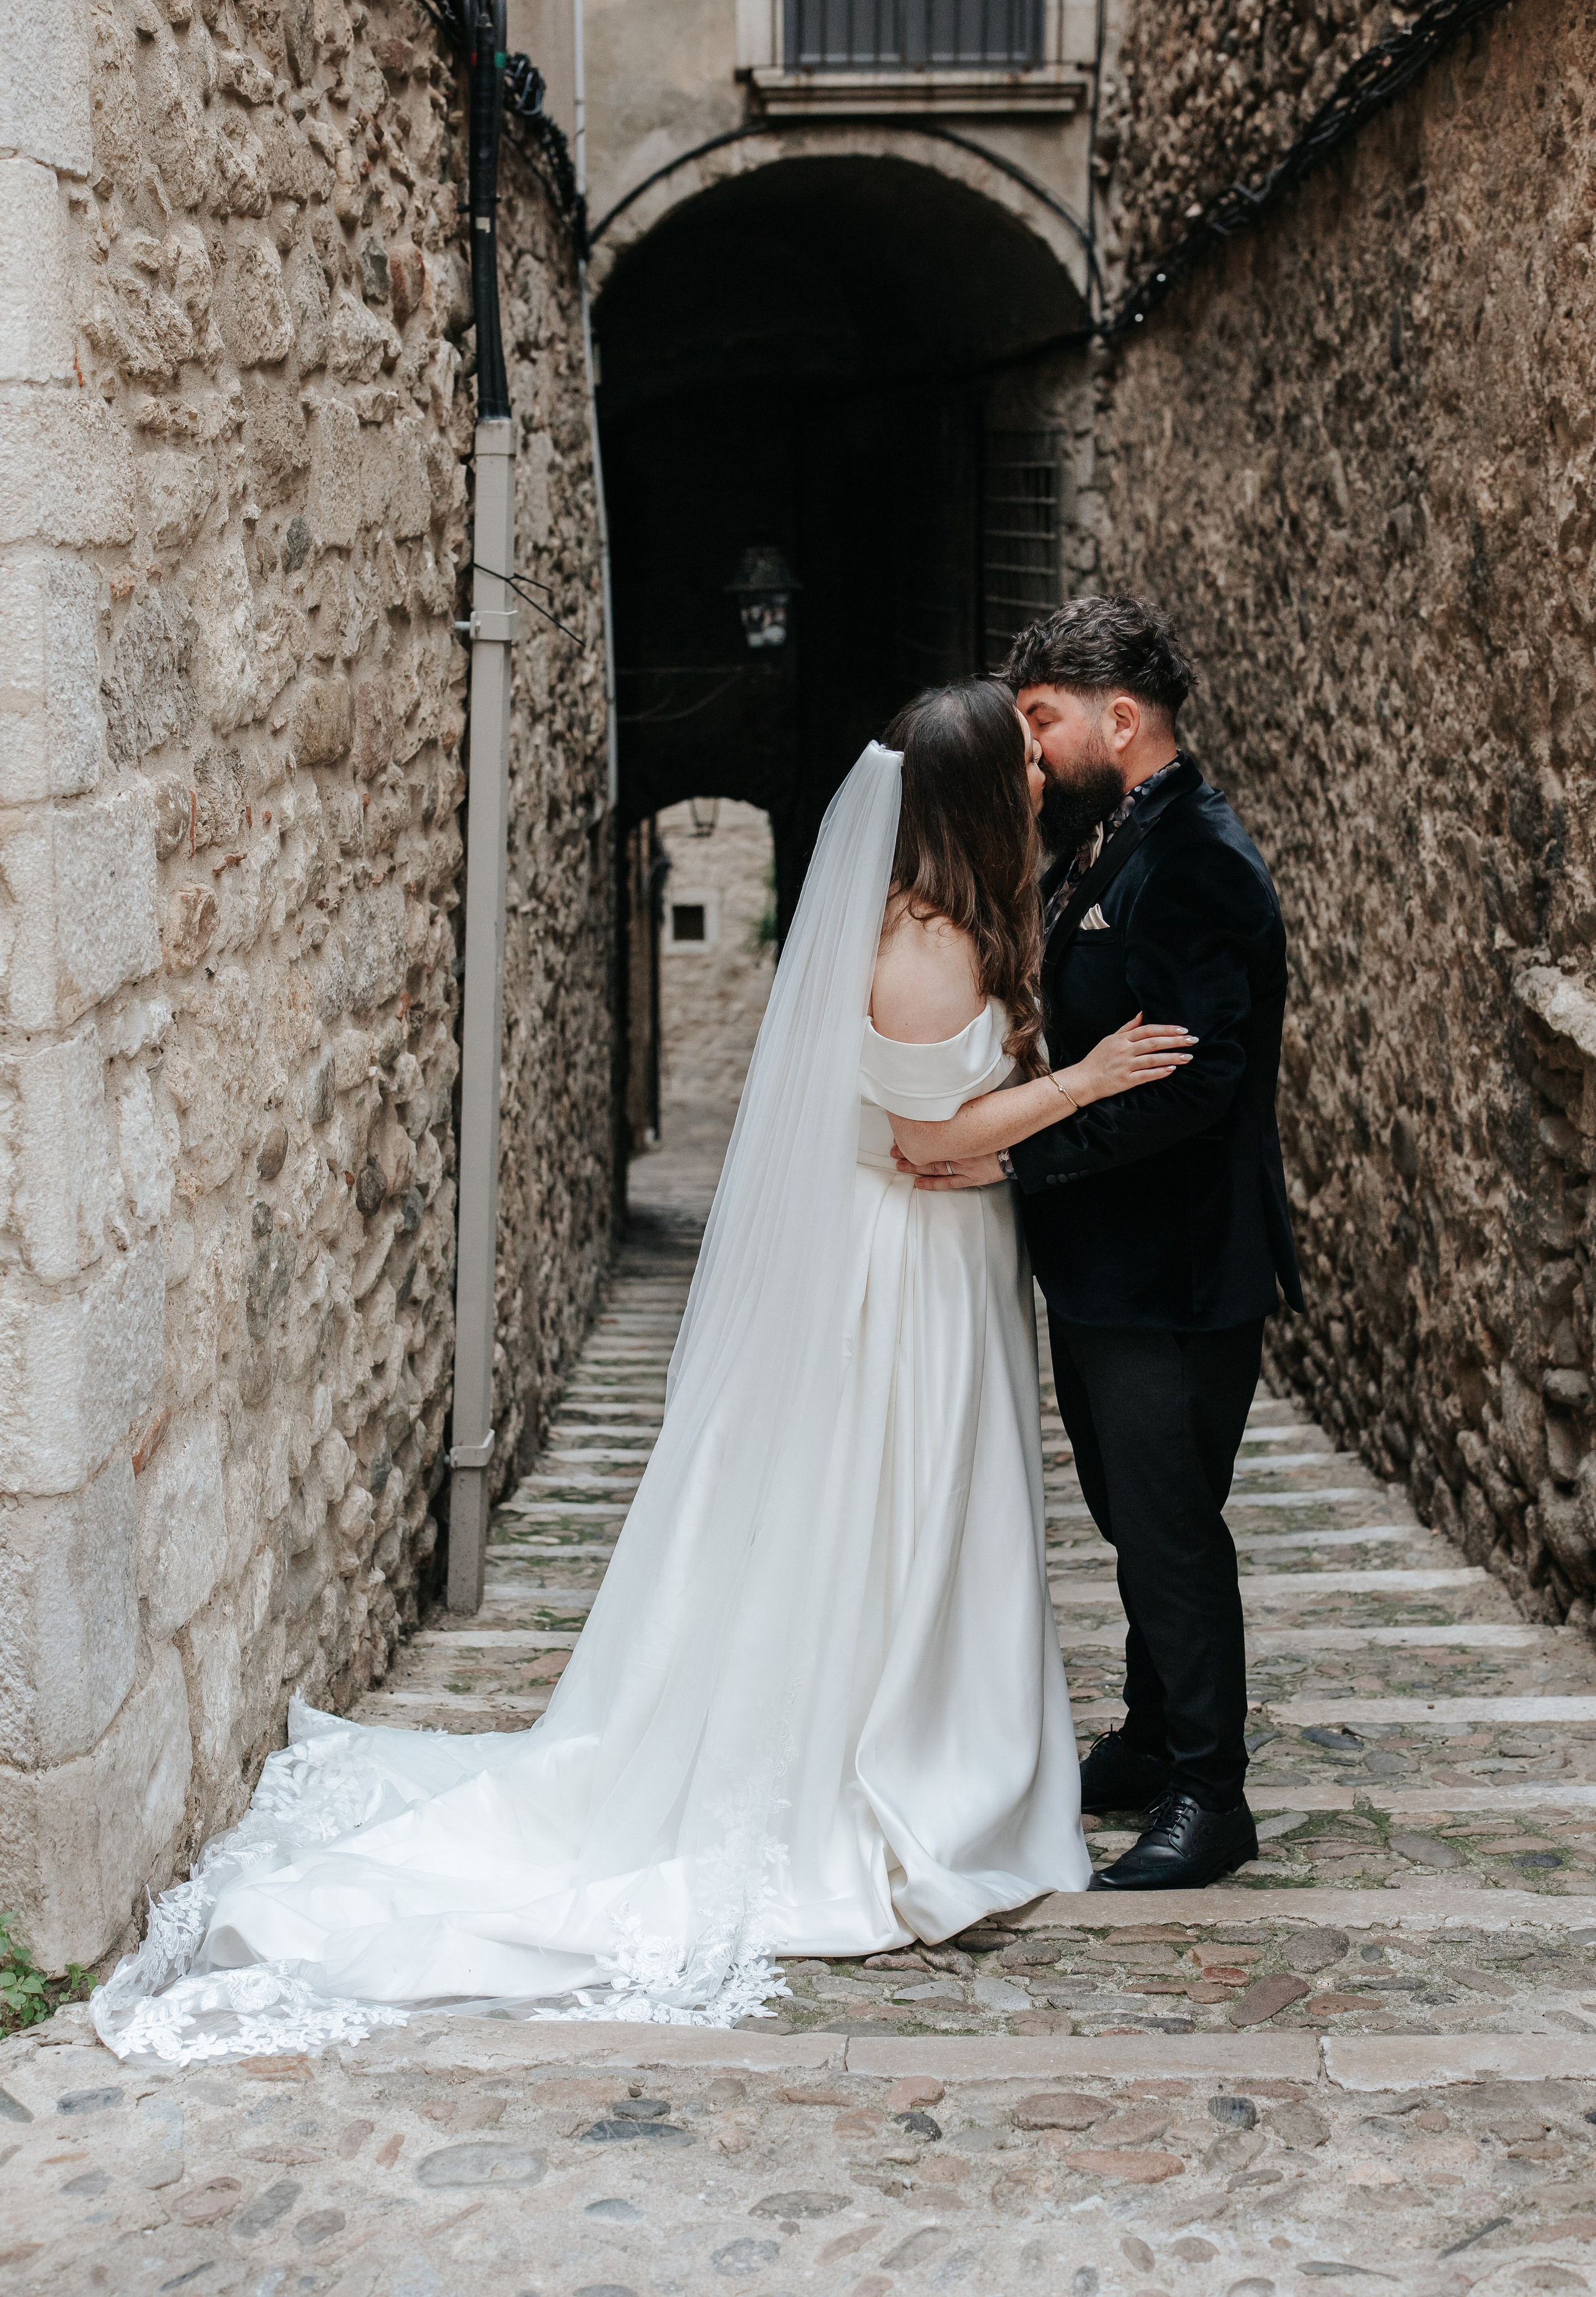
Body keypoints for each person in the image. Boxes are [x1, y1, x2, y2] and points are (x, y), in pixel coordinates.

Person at [93, 679, 1191, 2062]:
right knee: (885, 1512)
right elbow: (923, 1146)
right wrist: (1084, 1083)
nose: (1043, 771)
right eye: (1021, 758)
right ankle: (892, 1769)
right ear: (974, 795)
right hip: (898, 1271)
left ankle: (944, 1744)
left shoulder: (966, 913)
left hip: (940, 1252)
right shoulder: (918, 948)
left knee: (923, 1518)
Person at [908, 599, 1302, 1892]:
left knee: (1170, 1525)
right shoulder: (1105, 844)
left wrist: (1027, 1153)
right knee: (1131, 1517)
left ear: (1116, 721)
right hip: (1106, 1269)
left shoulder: (1197, 858)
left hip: (1175, 1272)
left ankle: (1209, 1792)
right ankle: (1146, 1738)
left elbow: (1193, 1082)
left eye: (1040, 724)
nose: (1029, 752)